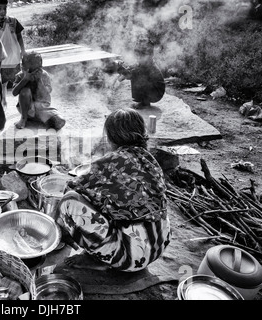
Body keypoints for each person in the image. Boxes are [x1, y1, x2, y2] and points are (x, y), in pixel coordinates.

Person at [55, 108, 171, 272]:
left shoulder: (110, 161)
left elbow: (73, 187)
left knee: (69, 200)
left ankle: (101, 259)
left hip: (129, 258)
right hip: (158, 246)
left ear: (110, 137)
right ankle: (114, 249)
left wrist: (57, 224)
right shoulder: (149, 159)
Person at [11, 51, 66, 130]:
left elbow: (47, 93)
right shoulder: (20, 75)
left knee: (60, 121)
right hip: (27, 110)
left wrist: (39, 80)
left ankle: (39, 119)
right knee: (25, 91)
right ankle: (24, 119)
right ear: (24, 68)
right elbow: (14, 92)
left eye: (38, 68)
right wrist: (25, 79)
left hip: (42, 109)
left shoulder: (44, 75)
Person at [0, 0, 25, 109]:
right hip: (1, 61)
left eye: (5, 8)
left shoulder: (13, 21)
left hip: (14, 59)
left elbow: (19, 37)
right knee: (2, 84)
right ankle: (3, 104)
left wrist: (23, 51)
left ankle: (22, 105)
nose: (2, 11)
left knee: (20, 82)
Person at [118, 37, 165, 109]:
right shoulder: (144, 62)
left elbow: (132, 74)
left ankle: (145, 103)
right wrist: (125, 69)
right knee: (136, 72)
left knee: (138, 75)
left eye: (140, 55)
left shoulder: (149, 64)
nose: (137, 57)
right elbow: (134, 68)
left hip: (157, 92)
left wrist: (126, 73)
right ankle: (142, 101)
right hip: (154, 90)